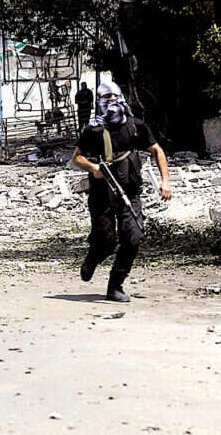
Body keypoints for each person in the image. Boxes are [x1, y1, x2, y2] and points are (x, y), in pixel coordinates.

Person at [72, 80, 172, 302]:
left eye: (114, 96)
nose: (111, 101)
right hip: (102, 194)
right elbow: (76, 158)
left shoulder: (135, 126)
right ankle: (94, 257)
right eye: (106, 97)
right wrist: (94, 168)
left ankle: (115, 285)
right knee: (106, 242)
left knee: (133, 237)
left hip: (130, 191)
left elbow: (157, 150)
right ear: (99, 101)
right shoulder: (93, 130)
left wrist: (165, 181)